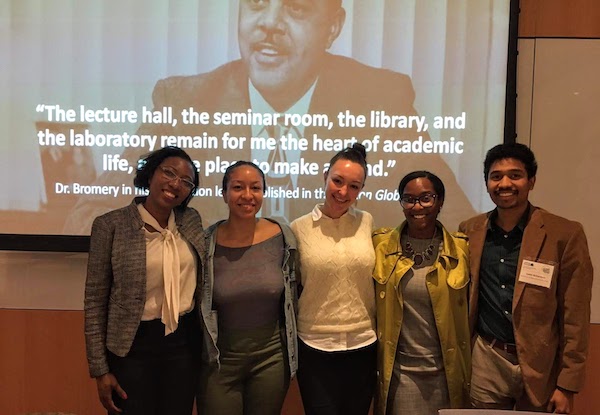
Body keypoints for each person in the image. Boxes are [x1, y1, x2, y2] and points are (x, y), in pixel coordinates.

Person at [64, 0, 475, 234]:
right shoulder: (184, 99)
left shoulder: (383, 98)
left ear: (333, 26)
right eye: (257, 5)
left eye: (295, 9)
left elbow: (456, 218)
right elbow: (89, 214)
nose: (270, 25)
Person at [459, 143, 593, 413]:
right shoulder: (469, 231)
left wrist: (567, 385)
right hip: (487, 358)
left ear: (531, 181)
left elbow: (575, 316)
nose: (505, 183)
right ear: (487, 183)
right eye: (496, 176)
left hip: (541, 366)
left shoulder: (564, 234)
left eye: (515, 175)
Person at [84, 146, 204, 415]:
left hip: (183, 344)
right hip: (132, 346)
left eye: (186, 182)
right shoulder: (111, 225)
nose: (176, 184)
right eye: (169, 173)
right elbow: (94, 300)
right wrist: (100, 370)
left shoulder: (191, 221)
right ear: (150, 174)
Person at [197, 161, 298, 415]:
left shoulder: (283, 236)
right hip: (220, 359)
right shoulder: (206, 242)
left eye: (256, 188)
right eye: (238, 187)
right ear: (224, 193)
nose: (247, 195)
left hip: (271, 358)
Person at [372, 170, 471, 415]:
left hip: (447, 374)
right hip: (401, 374)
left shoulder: (461, 249)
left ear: (440, 202)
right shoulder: (380, 247)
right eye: (409, 199)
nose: (417, 206)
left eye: (426, 198)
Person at [290, 143, 376, 415]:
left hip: (363, 343)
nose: (343, 192)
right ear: (324, 176)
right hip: (315, 346)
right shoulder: (298, 228)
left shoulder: (367, 222)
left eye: (354, 186)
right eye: (337, 181)